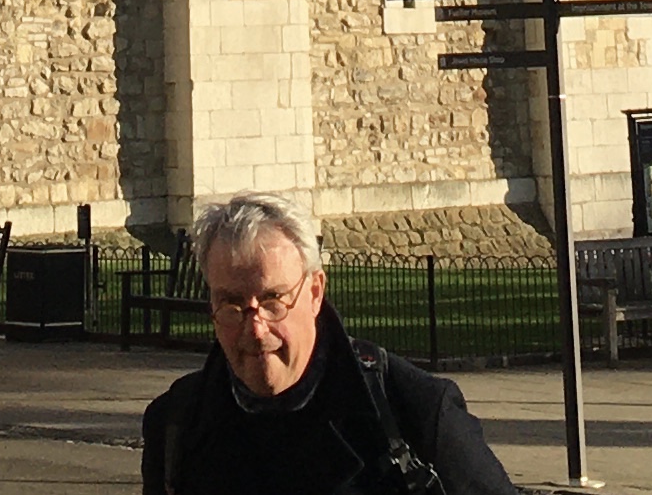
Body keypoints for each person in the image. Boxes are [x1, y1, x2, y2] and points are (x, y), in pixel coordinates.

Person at [139, 191, 517, 494]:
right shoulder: (175, 426)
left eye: (273, 301)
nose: (255, 330)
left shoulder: (414, 414)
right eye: (232, 305)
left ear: (315, 292)